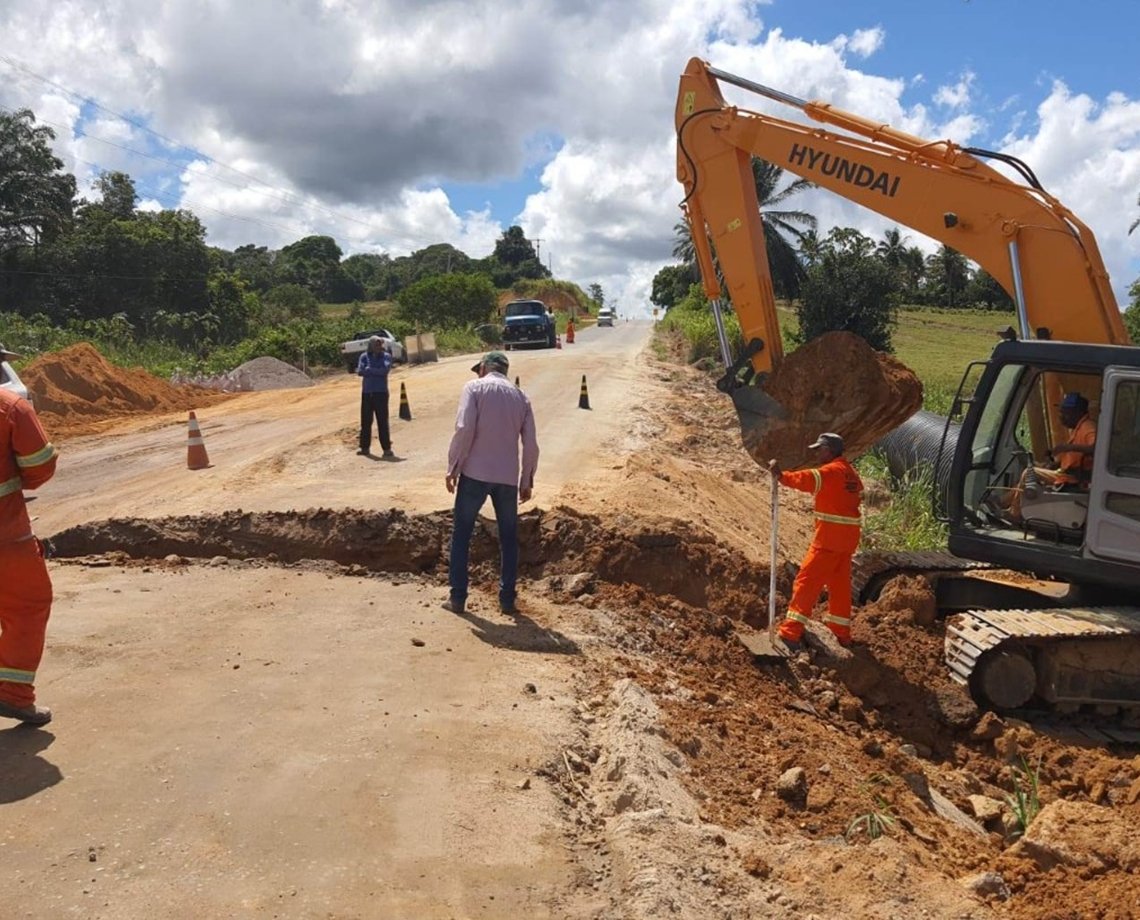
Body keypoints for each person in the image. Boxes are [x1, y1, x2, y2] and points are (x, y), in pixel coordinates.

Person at [443, 350, 539, 616]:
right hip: (507, 478)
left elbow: (464, 428)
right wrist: (527, 479)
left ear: (484, 367)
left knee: (462, 534)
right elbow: (530, 443)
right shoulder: (521, 397)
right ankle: (507, 600)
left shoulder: (474, 388)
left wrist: (453, 467)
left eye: (479, 369)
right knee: (508, 539)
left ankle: (458, 598)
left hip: (475, 474)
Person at [768, 432, 863, 652]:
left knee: (806, 581)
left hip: (828, 540)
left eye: (819, 449)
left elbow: (807, 480)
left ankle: (790, 632)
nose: (817, 453)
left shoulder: (830, 472)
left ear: (829, 450)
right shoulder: (851, 473)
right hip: (847, 541)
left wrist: (781, 476)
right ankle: (841, 633)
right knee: (839, 586)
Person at [0, 374, 58, 725]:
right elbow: (40, 466)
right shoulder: (10, 407)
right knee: (27, 607)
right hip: (5, 539)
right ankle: (13, 695)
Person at [1003, 392, 1096, 520]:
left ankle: (1014, 514)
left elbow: (1096, 447)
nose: (1061, 417)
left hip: (1072, 477)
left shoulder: (1088, 427)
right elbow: (1074, 457)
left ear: (1077, 412)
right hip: (1065, 472)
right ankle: (1002, 503)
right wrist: (1054, 463)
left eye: (1065, 413)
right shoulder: (1077, 428)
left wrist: (1067, 447)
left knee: (1029, 473)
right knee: (1027, 477)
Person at [357, 335, 393, 458]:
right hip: (367, 393)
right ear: (371, 345)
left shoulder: (386, 356)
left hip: (381, 393)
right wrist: (374, 370)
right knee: (366, 421)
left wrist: (370, 370)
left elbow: (384, 370)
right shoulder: (364, 356)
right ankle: (364, 448)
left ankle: (387, 449)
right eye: (377, 345)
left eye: (380, 344)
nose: (379, 347)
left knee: (382, 421)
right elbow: (360, 371)